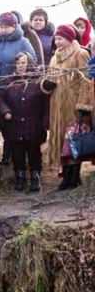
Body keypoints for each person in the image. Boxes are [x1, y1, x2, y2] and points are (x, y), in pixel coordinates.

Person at [0, 12, 38, 165]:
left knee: (13, 122)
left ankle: (10, 152)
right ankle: (7, 151)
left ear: (14, 26)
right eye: (1, 26)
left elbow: (33, 62)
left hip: (15, 89)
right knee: (0, 121)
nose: (3, 30)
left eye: (7, 27)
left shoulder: (23, 42)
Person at [41, 25, 94, 190]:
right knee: (61, 140)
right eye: (56, 39)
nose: (57, 42)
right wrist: (46, 85)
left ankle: (74, 176)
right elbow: (48, 76)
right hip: (57, 105)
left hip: (73, 106)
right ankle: (66, 174)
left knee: (73, 139)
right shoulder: (55, 57)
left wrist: (84, 106)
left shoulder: (81, 54)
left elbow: (87, 82)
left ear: (70, 39)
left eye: (61, 38)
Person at [0, 52, 49, 192]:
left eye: (23, 63)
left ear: (29, 63)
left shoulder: (38, 81)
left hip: (33, 123)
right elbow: (0, 98)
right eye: (18, 63)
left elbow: (46, 103)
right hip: (15, 123)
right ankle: (20, 177)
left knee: (34, 152)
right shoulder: (9, 80)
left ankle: (35, 177)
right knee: (17, 152)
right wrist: (5, 111)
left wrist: (45, 122)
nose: (20, 66)